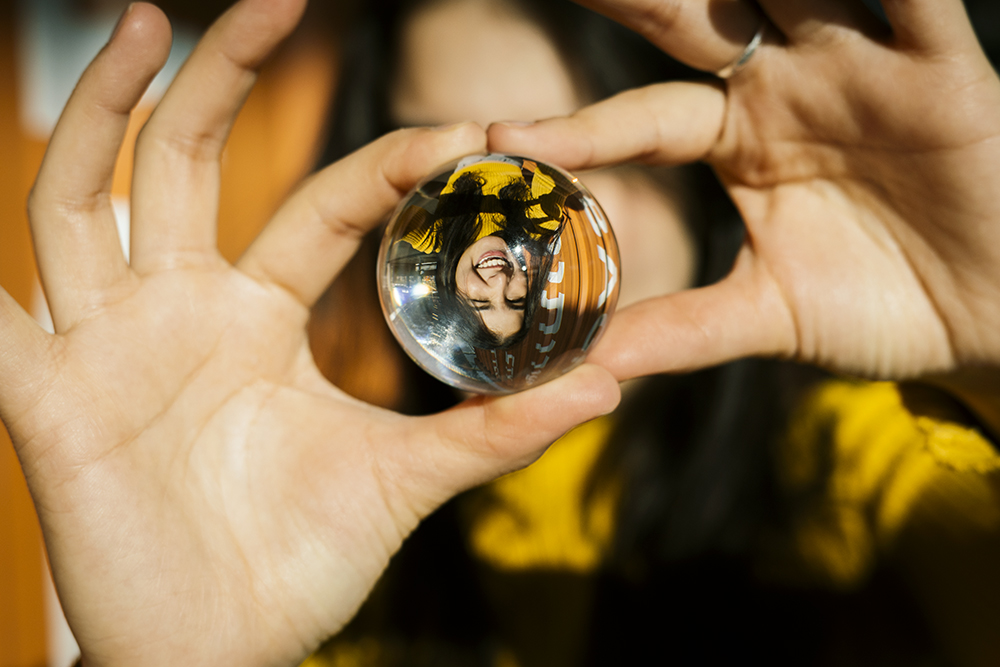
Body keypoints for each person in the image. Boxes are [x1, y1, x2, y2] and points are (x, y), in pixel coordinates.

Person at [1, 2, 1000, 667]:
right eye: (462, 178)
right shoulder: (322, 521)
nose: (508, 234)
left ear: (692, 168)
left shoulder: (878, 467)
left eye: (570, 154)